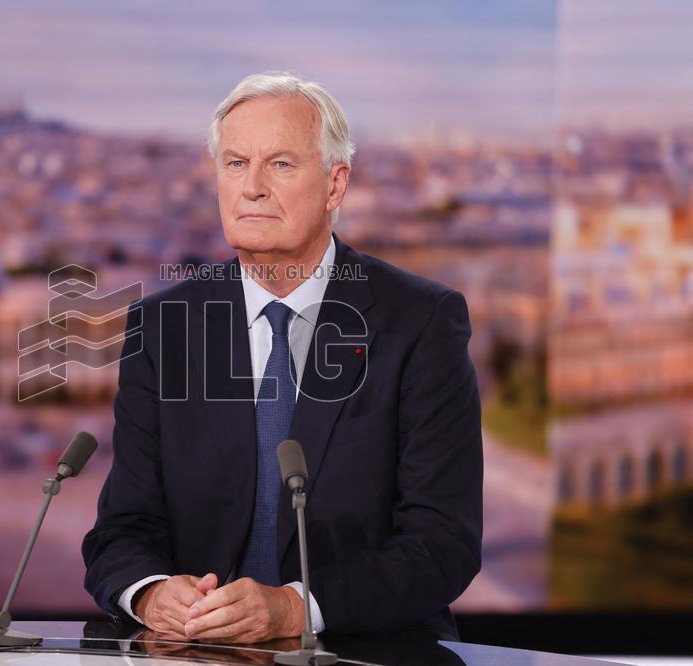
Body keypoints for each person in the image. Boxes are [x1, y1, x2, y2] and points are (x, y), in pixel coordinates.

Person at [82, 72, 482, 644]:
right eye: (235, 163)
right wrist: (150, 593)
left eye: (281, 164)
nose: (252, 188)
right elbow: (122, 530)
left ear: (335, 185)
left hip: (367, 653)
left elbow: (443, 543)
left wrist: (296, 609)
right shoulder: (165, 325)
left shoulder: (420, 321)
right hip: (199, 655)